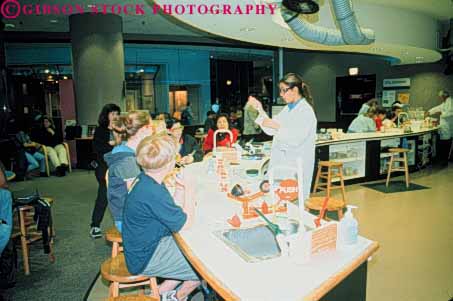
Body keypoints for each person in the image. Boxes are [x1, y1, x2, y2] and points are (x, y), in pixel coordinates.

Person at [122, 135, 200, 301]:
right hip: (146, 257)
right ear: (169, 163)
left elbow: (172, 211)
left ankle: (157, 294)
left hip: (144, 247)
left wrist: (180, 189)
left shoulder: (148, 180)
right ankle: (176, 297)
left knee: (196, 251)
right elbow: (185, 223)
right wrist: (191, 190)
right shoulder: (152, 191)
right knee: (202, 268)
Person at [247, 73, 317, 201]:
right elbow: (270, 129)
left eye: (284, 90)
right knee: (280, 204)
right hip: (282, 165)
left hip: (296, 166)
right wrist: (259, 109)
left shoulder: (306, 111)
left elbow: (295, 139)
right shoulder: (287, 109)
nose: (281, 94)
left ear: (295, 90)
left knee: (295, 205)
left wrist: (277, 127)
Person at [104, 111, 153, 232]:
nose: (153, 131)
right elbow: (138, 199)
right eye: (152, 127)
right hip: (130, 222)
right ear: (143, 130)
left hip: (130, 216)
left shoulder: (127, 152)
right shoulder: (127, 162)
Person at [89, 103, 121, 239]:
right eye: (113, 113)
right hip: (104, 166)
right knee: (104, 195)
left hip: (121, 165)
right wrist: (113, 144)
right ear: (106, 115)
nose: (115, 116)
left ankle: (126, 225)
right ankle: (95, 225)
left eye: (117, 114)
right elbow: (98, 150)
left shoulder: (120, 129)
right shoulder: (100, 130)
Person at [426, 90, 453, 166]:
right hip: (444, 126)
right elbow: (438, 108)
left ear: (444, 96)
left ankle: (445, 160)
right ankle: (441, 159)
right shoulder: (445, 102)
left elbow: (450, 113)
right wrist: (429, 112)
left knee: (446, 144)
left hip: (448, 126)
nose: (441, 98)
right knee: (442, 143)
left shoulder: (450, 102)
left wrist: (441, 113)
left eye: (441, 97)